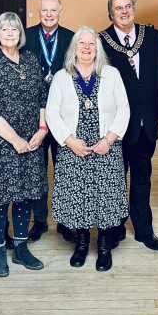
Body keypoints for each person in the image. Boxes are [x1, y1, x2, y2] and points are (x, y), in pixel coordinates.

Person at [45, 26, 130, 271]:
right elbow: (52, 113)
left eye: (91, 43)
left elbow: (123, 108)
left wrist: (110, 138)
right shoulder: (62, 77)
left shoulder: (111, 74)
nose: (86, 47)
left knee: (105, 194)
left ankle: (104, 246)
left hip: (106, 146)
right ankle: (81, 244)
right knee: (77, 196)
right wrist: (70, 140)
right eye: (81, 43)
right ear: (74, 48)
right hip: (74, 147)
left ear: (97, 49)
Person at [0, 12, 49, 277]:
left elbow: (43, 95)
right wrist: (15, 139)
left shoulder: (30, 60)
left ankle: (21, 247)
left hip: (30, 140)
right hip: (0, 142)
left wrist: (42, 129)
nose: (9, 33)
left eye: (14, 29)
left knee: (25, 193)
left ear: (20, 34)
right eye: (4, 29)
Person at [100, 0, 158, 252]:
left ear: (133, 8)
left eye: (128, 6)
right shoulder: (101, 41)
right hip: (115, 127)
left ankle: (144, 230)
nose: (124, 11)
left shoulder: (152, 36)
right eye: (118, 8)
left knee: (142, 177)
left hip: (146, 122)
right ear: (111, 12)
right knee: (116, 179)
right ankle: (115, 228)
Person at [23, 0, 74, 242]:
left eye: (54, 10)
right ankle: (40, 220)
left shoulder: (71, 37)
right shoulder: (26, 36)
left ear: (61, 11)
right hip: (34, 116)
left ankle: (65, 220)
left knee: (65, 169)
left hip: (64, 115)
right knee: (37, 169)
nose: (49, 14)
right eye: (45, 10)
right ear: (38, 11)